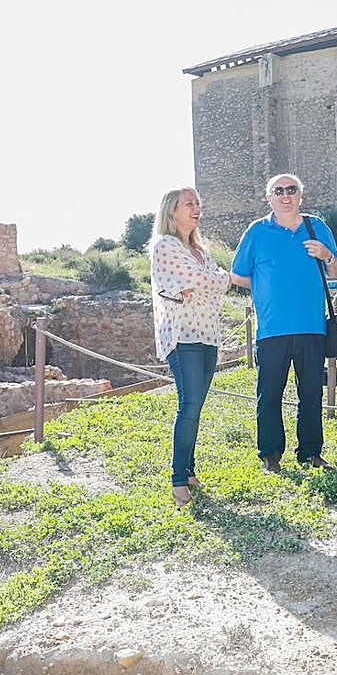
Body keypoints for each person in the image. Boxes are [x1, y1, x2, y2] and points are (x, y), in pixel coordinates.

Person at [232, 174, 337, 473]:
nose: (285, 195)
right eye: (278, 190)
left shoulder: (316, 227)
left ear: (300, 195)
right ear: (269, 197)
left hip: (312, 327)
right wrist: (266, 287)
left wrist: (326, 255)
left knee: (311, 393)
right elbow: (238, 275)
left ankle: (311, 453)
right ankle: (270, 455)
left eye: (291, 189)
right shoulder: (257, 231)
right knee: (269, 394)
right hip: (272, 328)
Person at [149, 187, 232, 507]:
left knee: (196, 406)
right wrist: (210, 280)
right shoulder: (165, 245)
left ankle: (189, 470)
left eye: (198, 203)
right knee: (189, 404)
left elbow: (219, 282)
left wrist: (210, 281)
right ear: (172, 211)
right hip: (182, 336)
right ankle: (178, 480)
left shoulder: (199, 249)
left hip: (208, 334)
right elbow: (201, 280)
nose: (196, 208)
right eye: (188, 204)